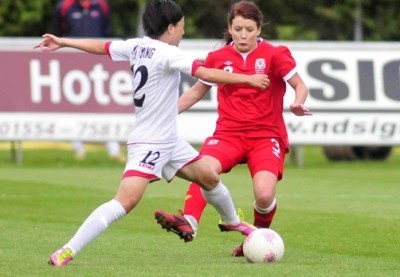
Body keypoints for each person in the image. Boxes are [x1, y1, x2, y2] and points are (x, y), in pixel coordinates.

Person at [35, 0, 270, 267]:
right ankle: (68, 249)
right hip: (149, 143)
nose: (183, 32)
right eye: (181, 27)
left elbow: (102, 47)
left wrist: (64, 41)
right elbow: (205, 73)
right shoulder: (169, 53)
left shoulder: (136, 45)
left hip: (170, 140)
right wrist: (248, 79)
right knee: (124, 202)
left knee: (209, 178)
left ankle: (234, 223)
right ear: (170, 28)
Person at [154, 0, 312, 257]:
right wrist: (162, 114)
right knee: (203, 170)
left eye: (249, 29)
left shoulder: (275, 54)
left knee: (263, 195)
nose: (243, 35)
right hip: (228, 135)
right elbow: (195, 93)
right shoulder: (217, 58)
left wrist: (298, 102)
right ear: (230, 27)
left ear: (259, 29)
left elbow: (300, 85)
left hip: (265, 136)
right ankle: (190, 221)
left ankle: (253, 240)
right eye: (238, 28)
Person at [54, 0, 124, 162]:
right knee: (74, 105)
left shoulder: (102, 6)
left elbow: (107, 33)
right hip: (73, 66)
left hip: (98, 66)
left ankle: (113, 149)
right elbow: (59, 34)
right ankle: (78, 148)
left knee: (105, 103)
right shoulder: (64, 7)